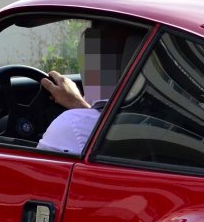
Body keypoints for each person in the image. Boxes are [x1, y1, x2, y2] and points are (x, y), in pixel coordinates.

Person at [36, 25, 140, 154]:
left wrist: (78, 107)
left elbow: (32, 172)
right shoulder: (161, 116)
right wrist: (80, 105)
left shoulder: (72, 126)